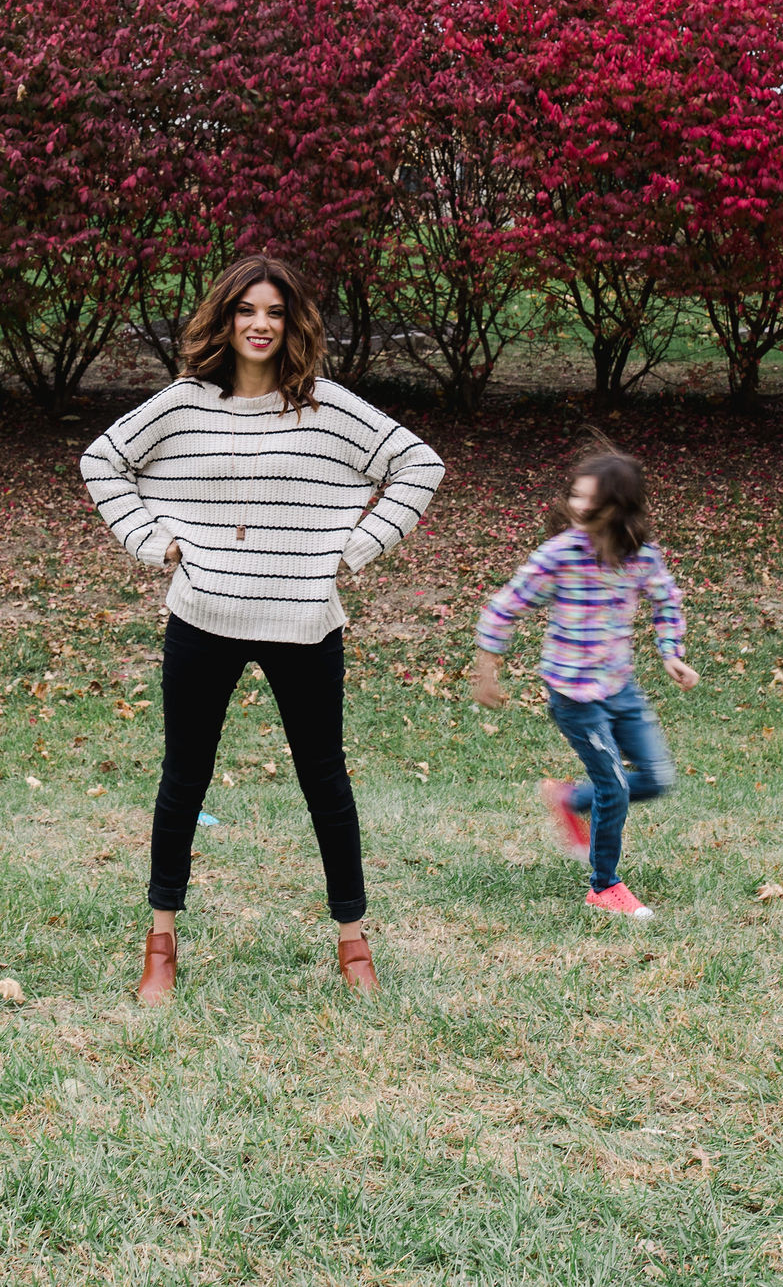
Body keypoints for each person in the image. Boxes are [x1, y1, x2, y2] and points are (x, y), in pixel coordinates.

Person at [81, 255, 444, 1003]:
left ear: (293, 324)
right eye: (247, 310)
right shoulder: (184, 404)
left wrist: (355, 546)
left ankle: (353, 945)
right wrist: (157, 542)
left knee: (326, 784)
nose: (260, 324)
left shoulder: (328, 406)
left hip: (304, 620)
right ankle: (161, 944)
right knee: (182, 781)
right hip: (203, 616)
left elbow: (418, 463)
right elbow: (102, 459)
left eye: (275, 312)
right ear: (226, 318)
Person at [471, 450, 697, 919]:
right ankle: (604, 886)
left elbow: (666, 600)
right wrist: (486, 669)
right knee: (613, 786)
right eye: (574, 494)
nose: (576, 505)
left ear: (618, 507)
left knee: (656, 779)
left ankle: (570, 799)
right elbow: (504, 607)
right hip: (574, 696)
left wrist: (670, 652)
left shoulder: (640, 556)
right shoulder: (559, 555)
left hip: (621, 687)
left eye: (588, 499)